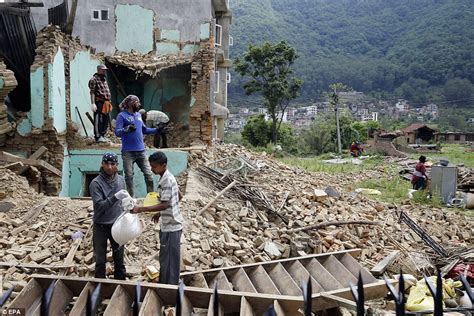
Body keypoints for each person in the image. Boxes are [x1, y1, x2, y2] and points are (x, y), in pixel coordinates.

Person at [131, 151, 184, 285]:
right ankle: (166, 283)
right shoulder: (168, 177)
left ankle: (170, 287)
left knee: (170, 259)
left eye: (154, 167)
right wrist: (159, 213)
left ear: (163, 165)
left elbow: (165, 204)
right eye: (151, 166)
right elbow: (179, 196)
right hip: (169, 224)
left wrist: (141, 209)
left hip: (171, 226)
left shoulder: (166, 180)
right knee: (166, 257)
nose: (152, 169)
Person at [89, 152, 130, 280]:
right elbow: (100, 205)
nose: (110, 167)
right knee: (100, 260)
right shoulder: (96, 183)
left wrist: (129, 203)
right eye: (107, 164)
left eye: (113, 164)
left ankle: (120, 288)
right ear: (102, 164)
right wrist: (114, 197)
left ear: (117, 165)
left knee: (119, 259)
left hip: (117, 224)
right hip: (101, 225)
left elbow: (123, 201)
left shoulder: (121, 180)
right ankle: (100, 289)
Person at [115, 95, 157, 197]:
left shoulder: (138, 115)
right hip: (128, 152)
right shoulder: (122, 116)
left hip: (141, 151)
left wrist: (157, 130)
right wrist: (127, 129)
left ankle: (151, 197)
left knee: (149, 174)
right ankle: (130, 199)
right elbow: (117, 132)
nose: (139, 105)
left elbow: (144, 130)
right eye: (137, 103)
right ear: (131, 104)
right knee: (129, 176)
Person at [89, 64, 113, 143]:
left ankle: (103, 135)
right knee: (98, 119)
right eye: (103, 70)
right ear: (98, 70)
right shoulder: (94, 79)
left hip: (106, 102)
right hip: (99, 102)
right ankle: (98, 136)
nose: (104, 71)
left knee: (105, 119)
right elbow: (92, 92)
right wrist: (93, 103)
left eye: (105, 70)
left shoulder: (104, 79)